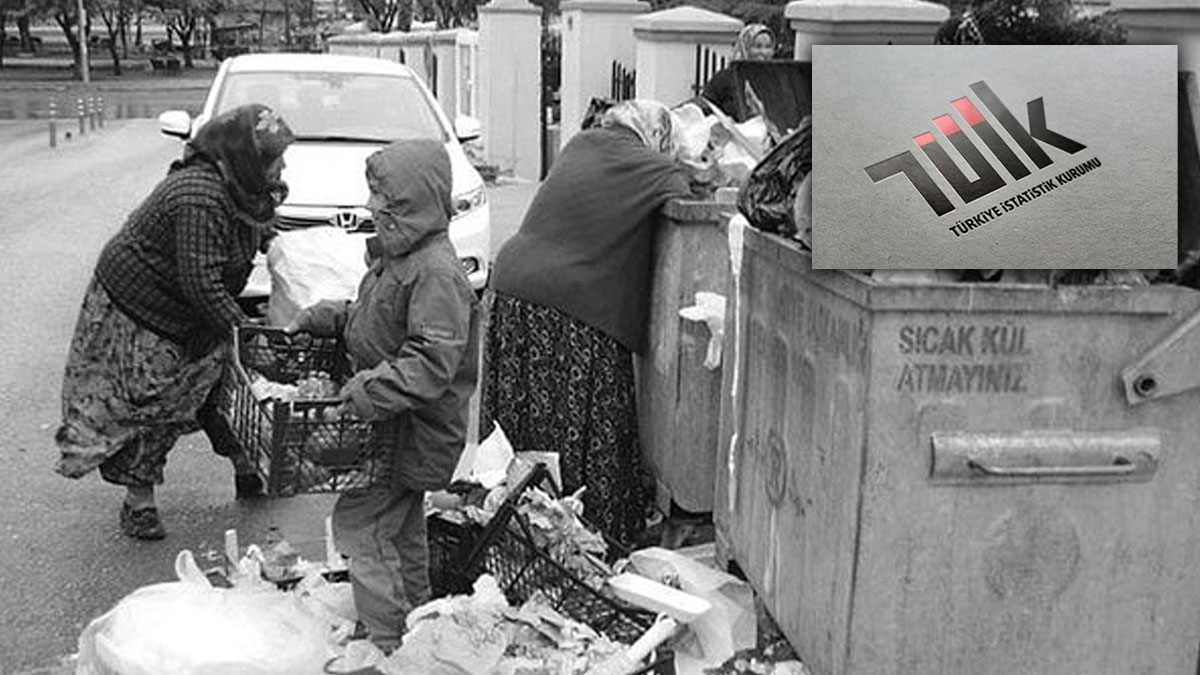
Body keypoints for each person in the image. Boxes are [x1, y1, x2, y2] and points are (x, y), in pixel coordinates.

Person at [54, 104, 295, 540]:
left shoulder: (249, 186)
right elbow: (200, 282)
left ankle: (247, 468)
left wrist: (282, 251)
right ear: (243, 158)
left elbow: (257, 226)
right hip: (141, 305)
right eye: (273, 158)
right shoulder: (198, 194)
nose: (281, 165)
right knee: (153, 398)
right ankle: (138, 503)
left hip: (188, 303)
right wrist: (244, 331)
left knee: (226, 381)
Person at [286, 140, 480, 652]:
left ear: (415, 205)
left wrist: (366, 391)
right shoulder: (400, 258)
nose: (373, 208)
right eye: (374, 196)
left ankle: (389, 642)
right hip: (390, 425)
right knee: (398, 532)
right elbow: (379, 322)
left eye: (385, 200)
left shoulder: (435, 271)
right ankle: (415, 629)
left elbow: (432, 360)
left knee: (363, 526)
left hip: (409, 428)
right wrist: (336, 317)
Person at [480, 99, 693, 548]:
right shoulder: (645, 164)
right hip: (570, 304)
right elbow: (688, 185)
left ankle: (514, 529)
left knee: (522, 427)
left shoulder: (581, 145)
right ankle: (588, 535)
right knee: (589, 423)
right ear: (656, 136)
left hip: (513, 288)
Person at [701, 23, 776, 122]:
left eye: (768, 47)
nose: (763, 52)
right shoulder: (726, 78)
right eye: (757, 46)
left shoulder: (775, 80)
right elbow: (705, 107)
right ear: (745, 47)